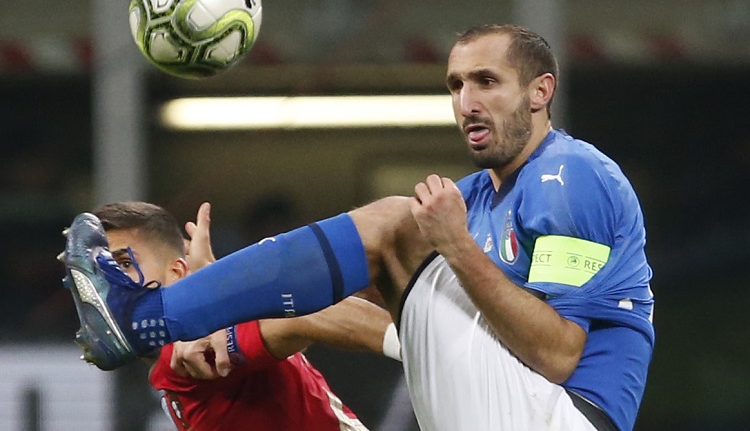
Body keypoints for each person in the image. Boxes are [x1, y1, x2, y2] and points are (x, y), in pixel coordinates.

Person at [61, 24, 655, 431]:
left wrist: (456, 247)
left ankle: (143, 319)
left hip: (564, 414)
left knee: (396, 222)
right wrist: (226, 302)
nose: (466, 101)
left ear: (540, 92)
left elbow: (555, 353)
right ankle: (178, 313)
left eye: (487, 82)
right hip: (502, 406)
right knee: (371, 253)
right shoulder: (473, 197)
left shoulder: (571, 175)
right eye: (455, 85)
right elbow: (341, 305)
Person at [73, 200, 400, 431]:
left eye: (125, 264)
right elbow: (299, 320)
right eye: (100, 275)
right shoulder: (187, 358)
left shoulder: (192, 350)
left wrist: (417, 344)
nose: (109, 287)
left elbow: (302, 317)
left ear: (177, 272)